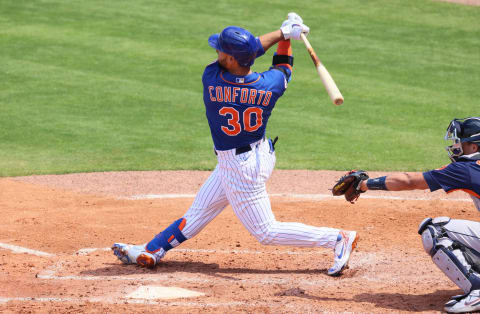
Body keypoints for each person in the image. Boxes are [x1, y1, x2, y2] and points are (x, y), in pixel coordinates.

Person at [112, 13, 359, 277]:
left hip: (239, 168)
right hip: (259, 153)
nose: (217, 51)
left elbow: (253, 50)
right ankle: (152, 249)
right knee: (199, 211)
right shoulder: (270, 86)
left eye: (221, 50)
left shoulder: (212, 79)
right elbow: (283, 66)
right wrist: (286, 38)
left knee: (266, 231)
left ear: (230, 59)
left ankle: (337, 238)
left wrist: (282, 32)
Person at [344, 117, 480, 313]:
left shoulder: (465, 169)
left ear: (473, 147)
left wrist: (363, 184)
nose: (455, 146)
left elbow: (409, 181)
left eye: (460, 142)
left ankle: (477, 291)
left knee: (435, 231)